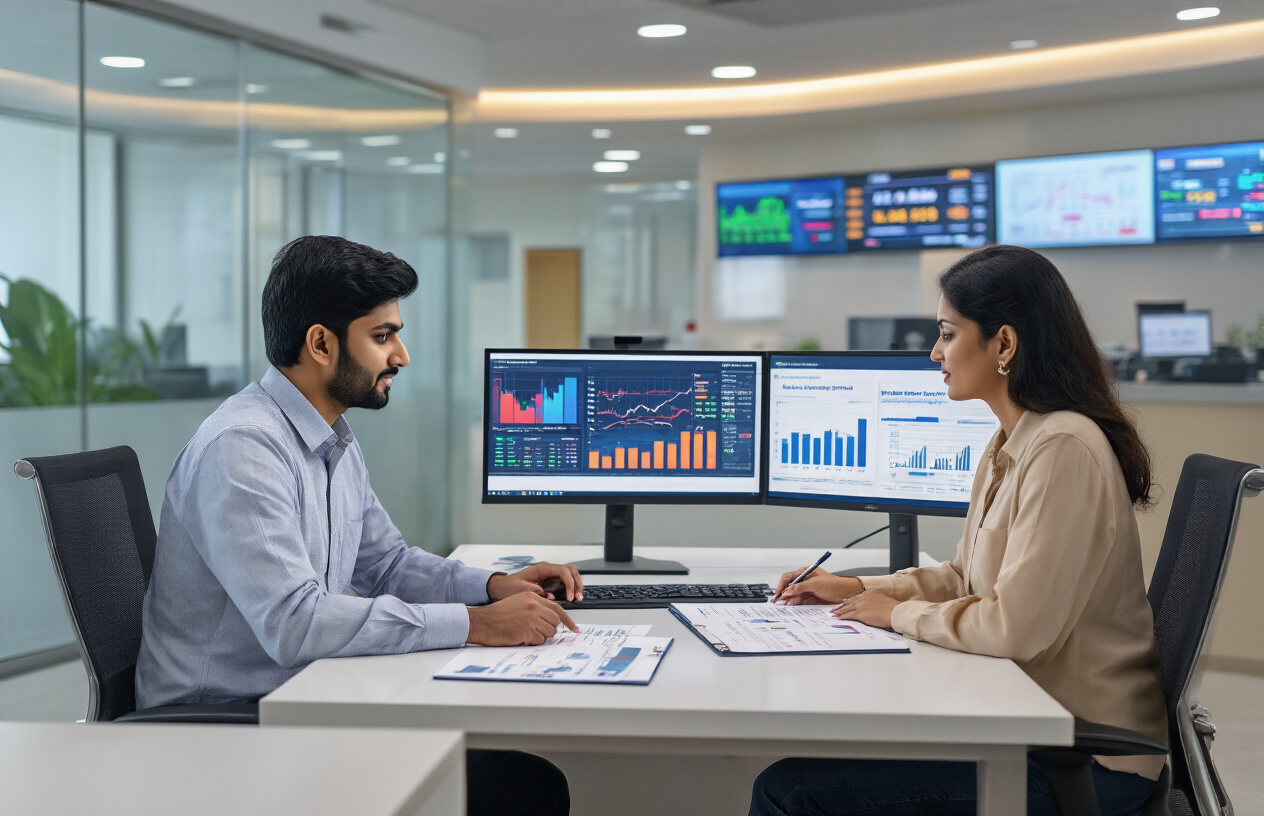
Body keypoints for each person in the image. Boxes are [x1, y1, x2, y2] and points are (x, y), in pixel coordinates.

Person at [137, 235, 577, 816]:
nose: (402, 355)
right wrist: (477, 625)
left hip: (301, 695)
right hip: (225, 725)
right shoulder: (242, 448)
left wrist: (493, 586)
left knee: (516, 774)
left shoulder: (332, 438)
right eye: (383, 336)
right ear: (320, 343)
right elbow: (295, 625)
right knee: (521, 787)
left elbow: (386, 564)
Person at [750, 244, 1167, 816]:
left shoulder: (1063, 448)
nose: (934, 353)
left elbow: (1013, 628)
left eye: (947, 334)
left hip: (1079, 759)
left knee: (790, 791)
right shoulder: (1013, 441)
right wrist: (854, 590)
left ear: (1004, 343)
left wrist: (895, 614)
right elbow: (966, 577)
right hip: (1027, 722)